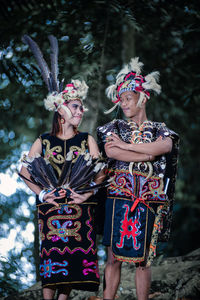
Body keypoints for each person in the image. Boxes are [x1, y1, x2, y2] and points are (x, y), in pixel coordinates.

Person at [19, 35, 104, 300]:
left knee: (72, 265)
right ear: (61, 110)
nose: (81, 110)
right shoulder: (43, 140)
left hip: (79, 208)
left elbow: (102, 170)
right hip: (51, 209)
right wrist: (42, 194)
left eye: (81, 106)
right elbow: (24, 170)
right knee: (52, 261)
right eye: (76, 106)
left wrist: (87, 194)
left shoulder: (86, 139)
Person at [97, 57, 179, 300]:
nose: (122, 104)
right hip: (118, 194)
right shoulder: (114, 126)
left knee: (144, 258)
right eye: (120, 99)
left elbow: (164, 147)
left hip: (148, 197)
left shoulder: (159, 128)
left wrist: (127, 146)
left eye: (127, 99)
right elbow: (112, 151)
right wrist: (145, 152)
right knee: (113, 257)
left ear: (143, 98)